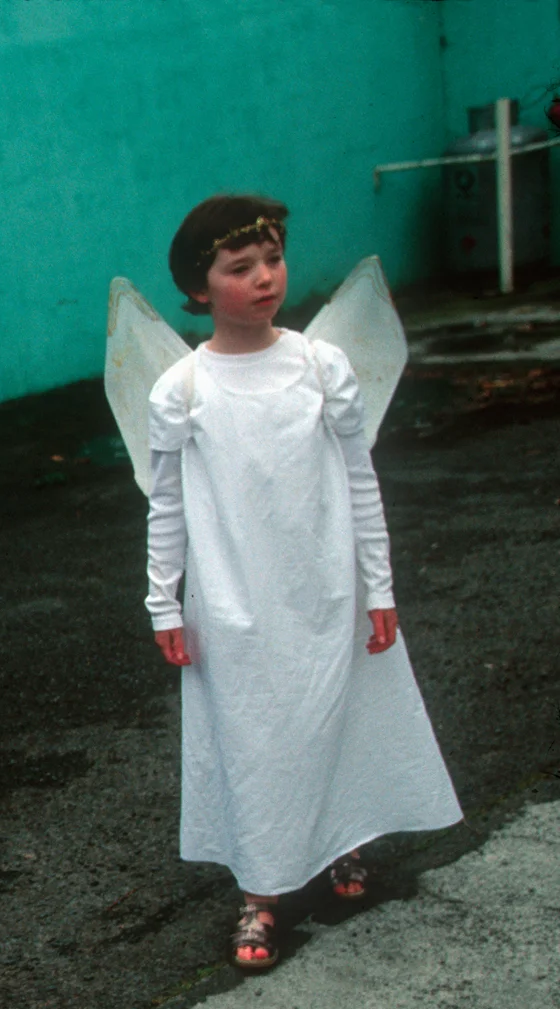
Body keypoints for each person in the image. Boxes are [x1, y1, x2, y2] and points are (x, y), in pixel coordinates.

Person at [144, 194, 462, 970]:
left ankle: (341, 842)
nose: (265, 278)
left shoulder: (321, 366)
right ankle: (261, 887)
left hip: (327, 585)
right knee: (257, 733)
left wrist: (378, 588)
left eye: (274, 260)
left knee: (340, 715)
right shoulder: (183, 389)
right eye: (240, 267)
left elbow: (360, 480)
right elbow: (167, 504)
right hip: (234, 600)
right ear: (198, 287)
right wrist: (163, 600)